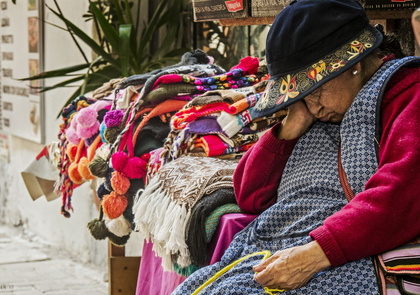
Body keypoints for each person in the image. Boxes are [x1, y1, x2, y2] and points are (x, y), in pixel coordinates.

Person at [171, 0, 420, 294]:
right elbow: (250, 196)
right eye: (301, 95)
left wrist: (315, 254)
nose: (313, 106)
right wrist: (291, 125)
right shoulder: (318, 111)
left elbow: (402, 194)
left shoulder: (408, 95)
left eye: (316, 89)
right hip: (295, 249)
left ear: (352, 65)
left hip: (348, 255)